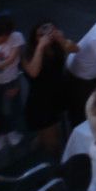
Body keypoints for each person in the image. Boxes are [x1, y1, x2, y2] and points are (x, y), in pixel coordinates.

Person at [21, 20, 77, 155]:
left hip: (59, 94)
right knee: (53, 143)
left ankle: (39, 144)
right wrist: (40, 47)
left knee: (56, 132)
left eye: (47, 32)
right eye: (40, 35)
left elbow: (75, 49)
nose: (45, 37)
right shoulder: (27, 54)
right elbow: (33, 72)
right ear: (34, 38)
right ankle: (51, 162)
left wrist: (61, 39)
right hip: (42, 102)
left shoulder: (57, 45)